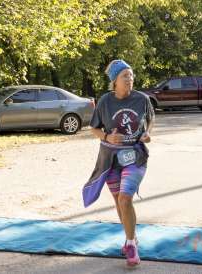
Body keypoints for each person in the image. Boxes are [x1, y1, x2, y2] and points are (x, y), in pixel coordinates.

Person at [82, 60, 154, 267]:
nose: (130, 79)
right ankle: (131, 236)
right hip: (110, 159)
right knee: (118, 200)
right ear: (115, 81)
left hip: (135, 156)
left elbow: (150, 119)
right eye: (125, 76)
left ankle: (131, 244)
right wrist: (106, 136)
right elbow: (93, 128)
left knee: (125, 198)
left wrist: (147, 133)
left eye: (131, 75)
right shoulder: (105, 101)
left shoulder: (142, 99)